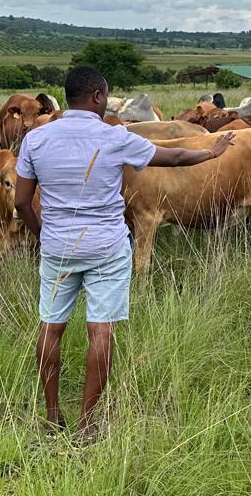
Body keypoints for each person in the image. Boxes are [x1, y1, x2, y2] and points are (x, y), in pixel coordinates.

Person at [14, 66, 232, 433]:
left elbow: (21, 202)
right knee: (101, 332)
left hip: (57, 248)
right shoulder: (115, 137)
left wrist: (42, 236)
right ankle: (86, 424)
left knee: (50, 329)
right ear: (98, 97)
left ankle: (51, 416)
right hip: (107, 248)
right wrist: (212, 152)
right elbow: (175, 158)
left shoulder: (36, 140)